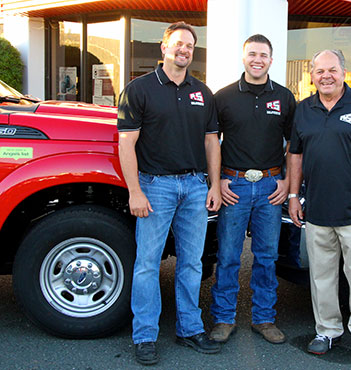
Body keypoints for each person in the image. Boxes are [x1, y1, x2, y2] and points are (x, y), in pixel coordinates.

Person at [117, 22, 222, 366]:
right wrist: (135, 191)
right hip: (154, 187)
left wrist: (214, 185)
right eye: (178, 44)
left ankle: (190, 329)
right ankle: (144, 336)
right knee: (147, 265)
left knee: (192, 263)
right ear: (164, 48)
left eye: (189, 46)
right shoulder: (139, 89)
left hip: (194, 188)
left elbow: (211, 142)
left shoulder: (202, 92)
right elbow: (126, 143)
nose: (184, 50)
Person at [288, 49, 351, 362]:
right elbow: (296, 155)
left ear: (343, 72)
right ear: (312, 75)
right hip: (317, 210)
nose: (325, 76)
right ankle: (327, 330)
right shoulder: (304, 109)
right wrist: (293, 196)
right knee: (321, 278)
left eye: (331, 70)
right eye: (319, 71)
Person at [209, 34, 296, 344]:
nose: (257, 59)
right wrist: (217, 180)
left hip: (271, 187)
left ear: (271, 60)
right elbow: (211, 143)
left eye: (263, 54)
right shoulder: (223, 97)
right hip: (234, 186)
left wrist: (286, 180)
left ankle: (264, 318)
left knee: (266, 256)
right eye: (252, 54)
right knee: (229, 255)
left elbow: (294, 146)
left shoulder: (285, 98)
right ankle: (222, 318)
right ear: (243, 58)